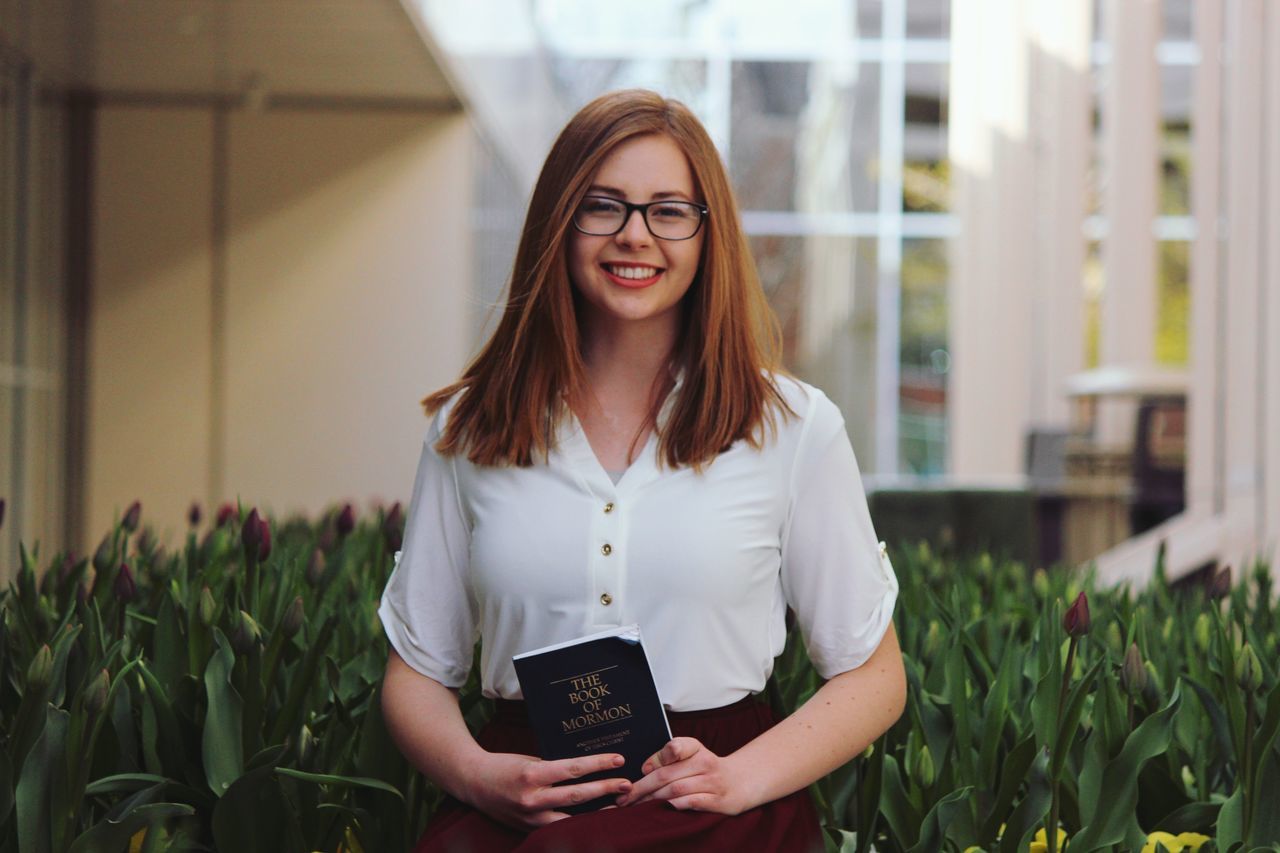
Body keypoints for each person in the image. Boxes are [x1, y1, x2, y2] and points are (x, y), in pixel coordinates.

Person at [378, 89, 906, 852]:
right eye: (604, 206)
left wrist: (741, 777)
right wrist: (477, 772)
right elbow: (418, 670)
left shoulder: (794, 427)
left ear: (705, 233)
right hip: (521, 801)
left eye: (668, 210)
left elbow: (873, 675)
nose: (635, 236)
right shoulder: (469, 427)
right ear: (560, 222)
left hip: (717, 805)